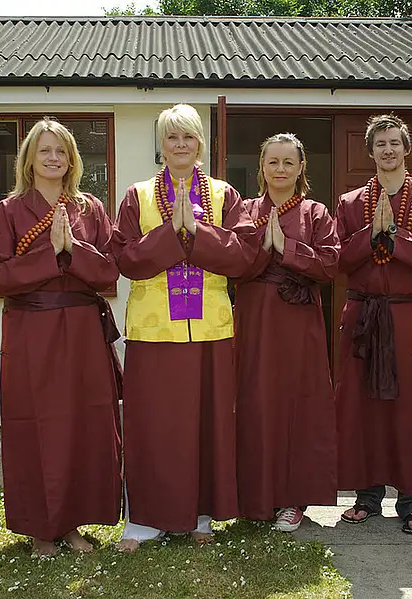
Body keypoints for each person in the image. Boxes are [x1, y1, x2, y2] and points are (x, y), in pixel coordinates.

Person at [111, 104, 257, 551]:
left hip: (209, 327)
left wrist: (198, 230)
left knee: (206, 422)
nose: (180, 145)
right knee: (154, 423)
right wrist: (171, 232)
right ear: (161, 144)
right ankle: (146, 520)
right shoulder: (137, 195)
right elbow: (125, 258)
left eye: (188, 137)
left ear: (200, 144)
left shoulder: (224, 194)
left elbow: (244, 255)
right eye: (172, 137)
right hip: (154, 330)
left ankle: (201, 515)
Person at [0, 119, 122, 556]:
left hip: (81, 329)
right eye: (44, 150)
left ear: (72, 159)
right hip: (32, 330)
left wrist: (74, 250)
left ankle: (73, 523)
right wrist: (51, 254)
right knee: (36, 424)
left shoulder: (90, 208)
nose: (53, 158)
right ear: (29, 158)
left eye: (61, 151)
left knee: (82, 423)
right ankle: (42, 529)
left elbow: (109, 270)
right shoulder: (8, 211)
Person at [334, 114, 412, 534]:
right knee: (361, 406)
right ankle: (366, 494)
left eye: (394, 143)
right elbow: (338, 259)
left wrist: (395, 236)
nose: (388, 150)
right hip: (363, 314)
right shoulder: (350, 203)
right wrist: (371, 234)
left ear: (406, 149)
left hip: (410, 315)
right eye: (380, 144)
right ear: (370, 152)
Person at [234, 133, 338, 531]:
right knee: (255, 400)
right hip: (254, 316)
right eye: (273, 162)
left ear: (300, 168)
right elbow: (232, 263)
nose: (280, 169)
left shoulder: (316, 213)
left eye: (288, 162)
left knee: (298, 403)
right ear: (261, 167)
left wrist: (288, 249)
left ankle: (294, 500)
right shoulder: (245, 210)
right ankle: (254, 497)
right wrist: (264, 249)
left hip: (297, 320)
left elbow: (330, 265)